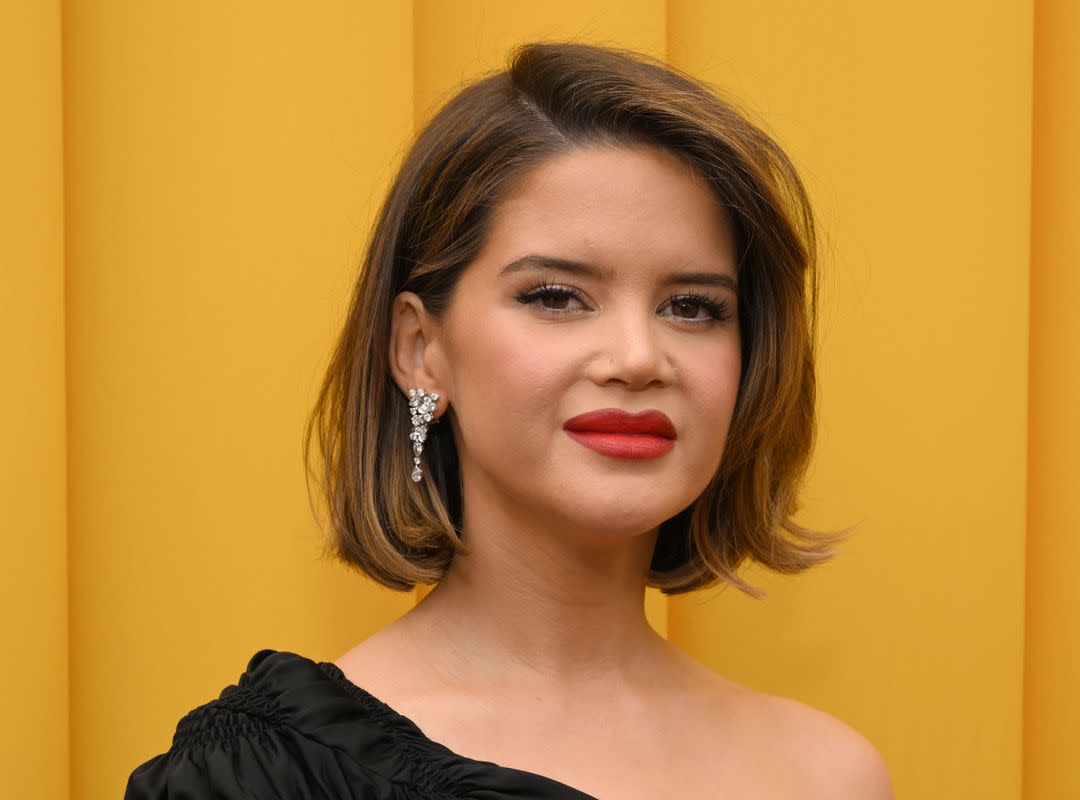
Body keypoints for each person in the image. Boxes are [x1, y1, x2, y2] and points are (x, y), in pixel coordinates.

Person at [125, 41, 893, 799]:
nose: (638, 356)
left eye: (692, 307)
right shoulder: (264, 781)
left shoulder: (829, 776)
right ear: (421, 350)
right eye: (555, 296)